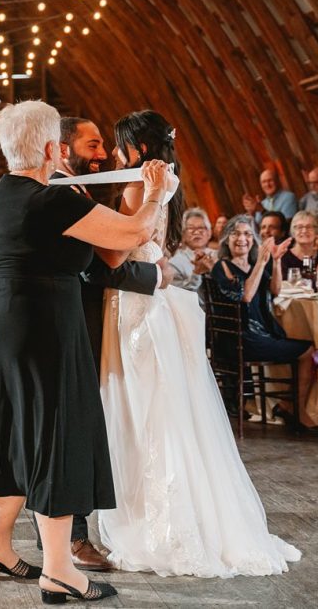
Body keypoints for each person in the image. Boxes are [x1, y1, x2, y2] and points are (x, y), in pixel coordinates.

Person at [0, 101, 170, 602]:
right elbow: (134, 233)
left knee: (9, 426)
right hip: (42, 321)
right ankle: (59, 570)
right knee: (57, 431)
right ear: (52, 147)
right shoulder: (53, 200)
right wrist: (155, 194)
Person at [98, 114, 302, 578]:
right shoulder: (168, 182)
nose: (114, 155)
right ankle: (183, 515)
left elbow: (118, 251)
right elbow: (158, 248)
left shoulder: (137, 188)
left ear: (140, 149)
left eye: (120, 146)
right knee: (164, 410)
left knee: (143, 413)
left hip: (133, 310)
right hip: (150, 302)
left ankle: (157, 522)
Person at [49, 115, 167, 571]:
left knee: (97, 422)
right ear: (62, 147)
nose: (101, 154)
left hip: (100, 318)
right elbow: (103, 263)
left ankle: (78, 530)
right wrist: (153, 273)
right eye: (92, 144)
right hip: (75, 320)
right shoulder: (64, 192)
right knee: (76, 428)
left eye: (104, 145)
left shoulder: (82, 190)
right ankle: (72, 537)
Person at [211, 215, 317, 427]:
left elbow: (275, 290)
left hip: (259, 334)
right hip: (239, 340)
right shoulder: (222, 267)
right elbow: (246, 295)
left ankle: (289, 405)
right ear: (227, 239)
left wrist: (275, 261)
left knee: (309, 349)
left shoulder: (253, 265)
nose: (242, 238)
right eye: (236, 233)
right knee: (308, 351)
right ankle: (294, 407)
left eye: (248, 234)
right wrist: (261, 260)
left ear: (253, 240)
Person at [169, 208, 217, 302]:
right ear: (183, 234)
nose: (197, 232)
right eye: (191, 228)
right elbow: (179, 298)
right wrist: (196, 273)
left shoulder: (217, 256)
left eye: (201, 228)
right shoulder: (174, 263)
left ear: (209, 233)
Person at [281, 211, 318, 276]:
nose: (304, 231)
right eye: (300, 227)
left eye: (309, 227)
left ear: (316, 231)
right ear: (293, 232)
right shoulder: (283, 256)